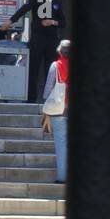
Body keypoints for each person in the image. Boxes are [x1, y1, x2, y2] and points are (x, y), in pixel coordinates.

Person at [3, 0, 65, 102]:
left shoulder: (57, 1)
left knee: (50, 70)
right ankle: (31, 99)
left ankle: (49, 100)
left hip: (51, 41)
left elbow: (63, 23)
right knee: (33, 70)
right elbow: (23, 10)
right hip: (37, 39)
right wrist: (10, 21)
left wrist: (52, 22)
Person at [41, 39, 71, 183]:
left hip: (59, 110)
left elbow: (48, 89)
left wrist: (45, 107)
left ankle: (62, 177)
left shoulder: (56, 65)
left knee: (61, 144)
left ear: (60, 51)